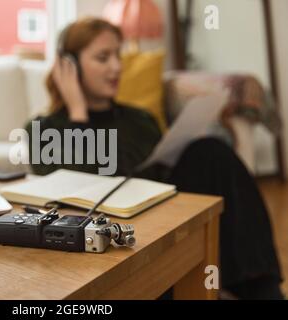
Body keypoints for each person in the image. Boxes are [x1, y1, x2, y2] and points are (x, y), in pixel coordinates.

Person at [25, 18, 284, 300]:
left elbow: (161, 172)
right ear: (69, 66)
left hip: (161, 212)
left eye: (117, 55)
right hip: (114, 232)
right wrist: (77, 113)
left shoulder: (140, 119)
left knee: (211, 151)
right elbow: (72, 193)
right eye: (103, 57)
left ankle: (261, 291)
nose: (116, 67)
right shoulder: (45, 129)